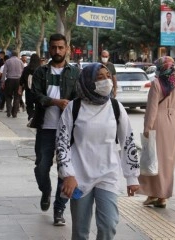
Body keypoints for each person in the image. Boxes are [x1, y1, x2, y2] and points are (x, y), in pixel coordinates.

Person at [55, 62, 140, 240]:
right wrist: (67, 174)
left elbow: (128, 141)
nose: (106, 81)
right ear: (88, 81)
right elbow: (62, 142)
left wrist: (132, 177)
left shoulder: (116, 107)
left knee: (109, 225)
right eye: (100, 78)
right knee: (80, 230)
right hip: (79, 177)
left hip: (108, 174)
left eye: (108, 77)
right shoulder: (74, 108)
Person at [31, 33, 80, 226]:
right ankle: (45, 190)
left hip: (67, 131)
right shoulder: (41, 72)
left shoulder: (75, 73)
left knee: (65, 170)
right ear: (49, 49)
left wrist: (71, 104)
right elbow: (35, 94)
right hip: (45, 128)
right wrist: (54, 102)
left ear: (67, 48)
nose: (57, 51)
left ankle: (59, 209)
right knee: (42, 167)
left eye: (61, 47)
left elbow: (81, 98)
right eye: (54, 47)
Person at [137, 56, 175, 208]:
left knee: (155, 159)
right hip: (174, 124)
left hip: (159, 122)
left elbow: (152, 108)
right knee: (169, 161)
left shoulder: (157, 84)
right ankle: (163, 197)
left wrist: (147, 128)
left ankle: (153, 194)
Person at [1, 50, 24, 118]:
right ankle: (14, 113)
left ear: (11, 55)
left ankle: (9, 112)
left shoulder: (8, 61)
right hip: (18, 80)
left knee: (8, 96)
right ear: (17, 55)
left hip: (9, 80)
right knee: (17, 97)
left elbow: (4, 72)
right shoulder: (20, 62)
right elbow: (23, 72)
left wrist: (3, 82)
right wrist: (22, 83)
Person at [19, 53, 40, 121]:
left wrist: (20, 89)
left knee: (29, 105)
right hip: (38, 91)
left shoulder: (26, 69)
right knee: (38, 105)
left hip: (28, 90)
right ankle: (36, 117)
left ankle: (31, 116)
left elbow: (21, 80)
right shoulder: (40, 69)